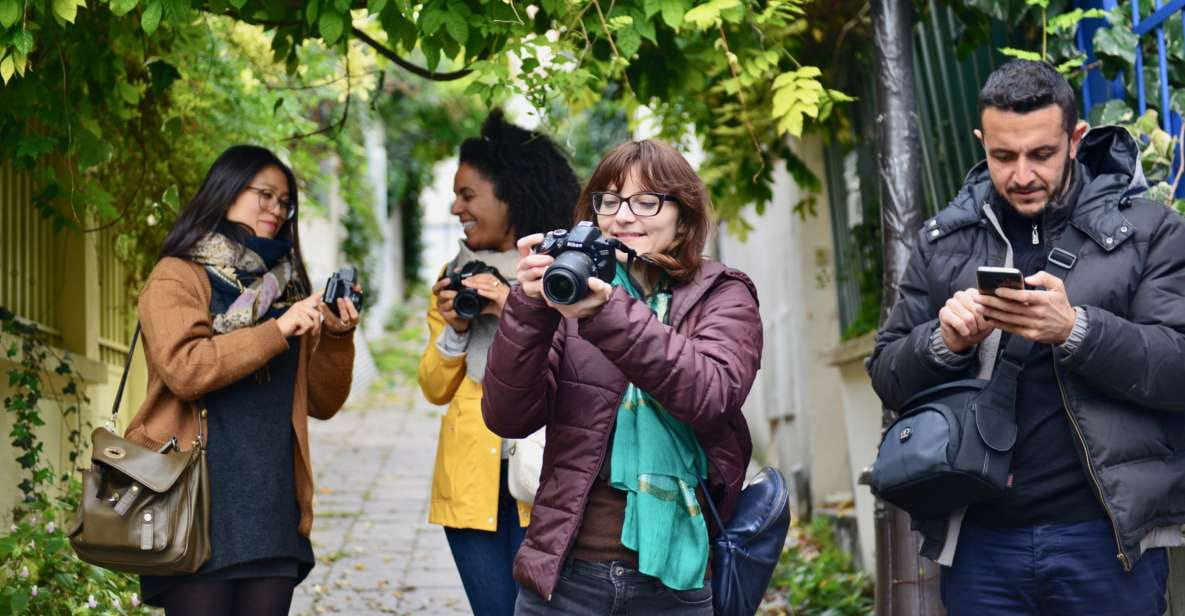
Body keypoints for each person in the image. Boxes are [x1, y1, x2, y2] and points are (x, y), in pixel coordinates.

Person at [867, 59, 1185, 616]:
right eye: (1002, 156)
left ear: (1075, 138)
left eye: (1041, 154)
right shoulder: (945, 241)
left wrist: (1076, 331)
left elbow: (1178, 368)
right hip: (982, 543)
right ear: (981, 142)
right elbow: (887, 373)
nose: (1021, 175)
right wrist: (945, 341)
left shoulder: (1150, 232)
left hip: (1107, 542)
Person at [481, 139, 763, 614]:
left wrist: (608, 312)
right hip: (565, 575)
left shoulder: (723, 294)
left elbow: (711, 394)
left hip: (677, 582)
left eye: (646, 201)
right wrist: (528, 307)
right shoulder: (565, 295)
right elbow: (508, 415)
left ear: (684, 216)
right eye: (608, 202)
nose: (623, 217)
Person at [127, 145, 360, 615]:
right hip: (193, 507)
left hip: (271, 508)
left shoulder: (287, 288)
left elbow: (322, 401)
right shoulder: (178, 276)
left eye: (284, 202)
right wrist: (276, 331)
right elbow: (186, 369)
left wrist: (336, 337)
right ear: (227, 191)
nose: (276, 210)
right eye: (265, 196)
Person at [417, 110, 580, 616]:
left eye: (468, 195)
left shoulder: (565, 269)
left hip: (548, 482)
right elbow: (434, 387)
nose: (454, 207)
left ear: (511, 193)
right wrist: (457, 329)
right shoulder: (453, 277)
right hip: (471, 486)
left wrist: (514, 305)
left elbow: (587, 359)